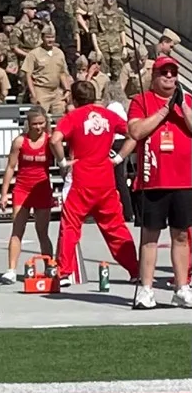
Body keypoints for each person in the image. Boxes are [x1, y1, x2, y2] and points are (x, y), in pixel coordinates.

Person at [50, 80, 141, 287]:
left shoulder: (72, 117)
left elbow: (55, 139)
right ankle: (135, 269)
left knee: (70, 226)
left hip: (81, 178)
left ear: (74, 98)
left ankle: (64, 272)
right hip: (105, 179)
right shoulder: (109, 115)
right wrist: (118, 158)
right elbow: (134, 134)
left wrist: (63, 162)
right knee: (115, 227)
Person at [125, 55, 192, 309]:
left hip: (184, 180)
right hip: (153, 180)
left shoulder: (186, 101)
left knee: (181, 236)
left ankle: (182, 287)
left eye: (173, 73)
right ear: (154, 76)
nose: (169, 77)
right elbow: (136, 131)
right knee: (150, 237)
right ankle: (146, 289)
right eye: (164, 73)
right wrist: (164, 110)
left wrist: (182, 108)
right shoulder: (141, 100)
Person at [0, 108, 55, 283]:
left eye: (41, 123)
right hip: (22, 188)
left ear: (46, 122)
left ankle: (49, 267)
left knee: (42, 231)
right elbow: (10, 167)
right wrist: (4, 194)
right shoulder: (20, 142)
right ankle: (11, 270)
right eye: (34, 124)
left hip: (42, 188)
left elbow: (63, 160)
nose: (38, 127)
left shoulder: (51, 141)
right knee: (17, 230)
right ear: (28, 125)